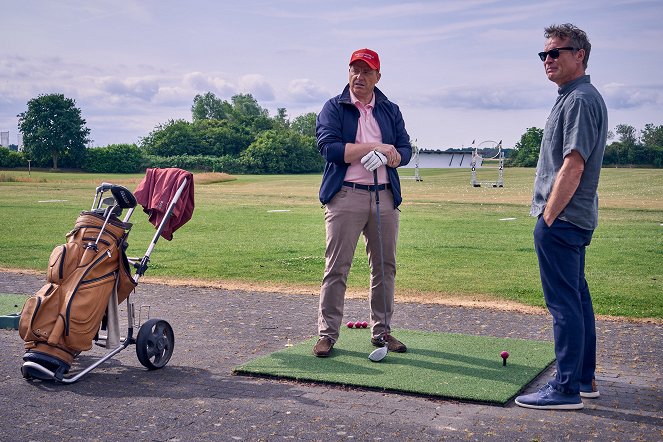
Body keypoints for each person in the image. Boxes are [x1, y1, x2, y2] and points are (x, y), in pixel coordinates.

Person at [515, 24, 608, 410]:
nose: (548, 60)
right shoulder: (571, 96)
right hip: (570, 219)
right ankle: (583, 380)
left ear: (579, 55)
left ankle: (566, 388)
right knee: (577, 299)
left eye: (556, 52)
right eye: (544, 54)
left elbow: (574, 164)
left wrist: (549, 217)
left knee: (564, 305)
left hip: (563, 220)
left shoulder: (581, 100)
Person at [313, 48, 412, 357]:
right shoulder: (334, 107)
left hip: (383, 196)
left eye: (367, 71)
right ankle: (327, 335)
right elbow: (329, 149)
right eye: (354, 69)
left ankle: (382, 332)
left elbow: (406, 149)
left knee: (385, 268)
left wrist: (394, 155)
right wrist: (377, 146)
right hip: (346, 195)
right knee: (337, 268)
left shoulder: (390, 109)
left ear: (377, 77)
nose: (359, 75)